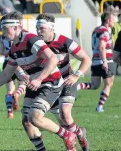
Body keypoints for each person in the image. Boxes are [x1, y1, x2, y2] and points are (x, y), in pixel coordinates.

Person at [0, 11, 77, 151]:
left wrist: (39, 79)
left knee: (35, 117)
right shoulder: (14, 48)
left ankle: (67, 135)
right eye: (2, 29)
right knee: (27, 122)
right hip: (35, 84)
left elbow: (53, 59)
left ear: (17, 27)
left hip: (51, 82)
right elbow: (6, 73)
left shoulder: (31, 40)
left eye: (6, 29)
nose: (4, 33)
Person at [35, 13, 91, 151]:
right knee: (63, 122)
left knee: (65, 114)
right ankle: (79, 133)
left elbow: (86, 59)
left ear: (51, 28)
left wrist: (76, 75)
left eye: (42, 28)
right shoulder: (36, 44)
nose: (38, 31)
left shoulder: (64, 42)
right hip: (50, 85)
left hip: (67, 81)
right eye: (37, 28)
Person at [77, 12, 117, 112]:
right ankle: (99, 107)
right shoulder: (105, 32)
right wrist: (104, 61)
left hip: (95, 62)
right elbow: (102, 46)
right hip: (105, 61)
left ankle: (77, 86)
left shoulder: (96, 30)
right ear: (108, 20)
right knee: (108, 84)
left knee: (95, 85)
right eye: (113, 19)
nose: (114, 22)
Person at [0, 34, 27, 119]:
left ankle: (10, 112)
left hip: (7, 64)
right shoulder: (22, 35)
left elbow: (0, 52)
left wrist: (7, 52)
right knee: (24, 85)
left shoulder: (3, 37)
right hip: (19, 63)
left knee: (10, 90)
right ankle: (17, 94)